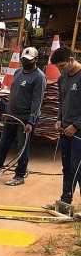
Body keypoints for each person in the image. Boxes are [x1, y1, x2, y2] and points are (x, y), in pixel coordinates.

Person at [0, 47, 46, 186]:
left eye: (28, 60)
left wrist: (31, 121)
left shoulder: (39, 77)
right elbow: (13, 95)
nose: (25, 62)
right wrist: (6, 111)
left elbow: (37, 101)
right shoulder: (18, 72)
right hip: (11, 116)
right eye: (23, 60)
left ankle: (20, 175)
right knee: (2, 144)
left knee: (22, 147)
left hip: (24, 119)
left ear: (35, 60)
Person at [42, 47, 81, 212]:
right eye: (58, 67)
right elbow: (62, 101)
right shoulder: (62, 79)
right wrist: (59, 119)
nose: (60, 69)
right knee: (67, 167)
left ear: (72, 60)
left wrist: (77, 126)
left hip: (79, 131)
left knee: (78, 167)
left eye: (63, 65)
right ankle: (65, 201)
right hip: (65, 129)